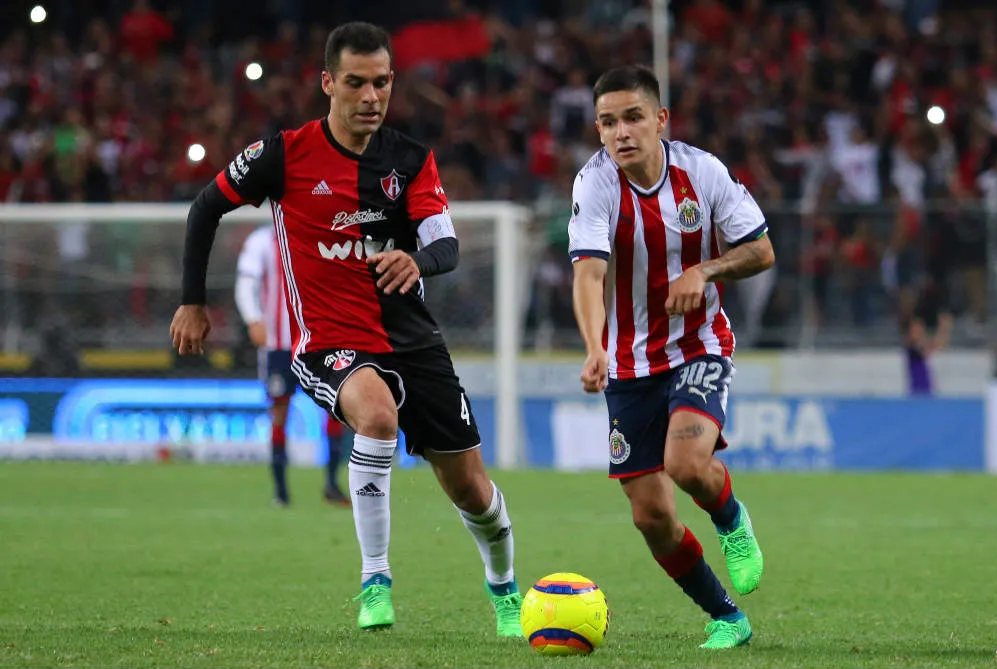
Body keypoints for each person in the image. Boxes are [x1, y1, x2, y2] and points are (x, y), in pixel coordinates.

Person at [169, 22, 522, 635]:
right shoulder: (282, 155)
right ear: (328, 82)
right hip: (329, 341)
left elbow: (445, 242)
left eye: (381, 82)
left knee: (472, 491)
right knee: (377, 416)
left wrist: (418, 259)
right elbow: (206, 208)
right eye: (355, 83)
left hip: (413, 342)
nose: (370, 96)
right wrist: (193, 302)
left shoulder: (410, 159)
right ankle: (375, 580)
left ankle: (506, 592)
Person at [568, 66, 771, 650]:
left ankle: (730, 518)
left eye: (633, 118)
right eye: (608, 122)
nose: (620, 132)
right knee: (650, 517)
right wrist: (592, 348)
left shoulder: (701, 173)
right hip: (629, 365)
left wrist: (704, 269)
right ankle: (727, 617)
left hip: (698, 344)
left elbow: (761, 248)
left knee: (685, 465)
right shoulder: (595, 184)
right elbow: (588, 275)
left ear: (661, 120)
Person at [234, 224, 351, 507]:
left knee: (335, 409)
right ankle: (281, 491)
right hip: (279, 346)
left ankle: (332, 485)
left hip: (320, 342)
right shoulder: (262, 241)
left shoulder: (320, 233)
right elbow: (246, 284)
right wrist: (253, 319)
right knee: (279, 412)